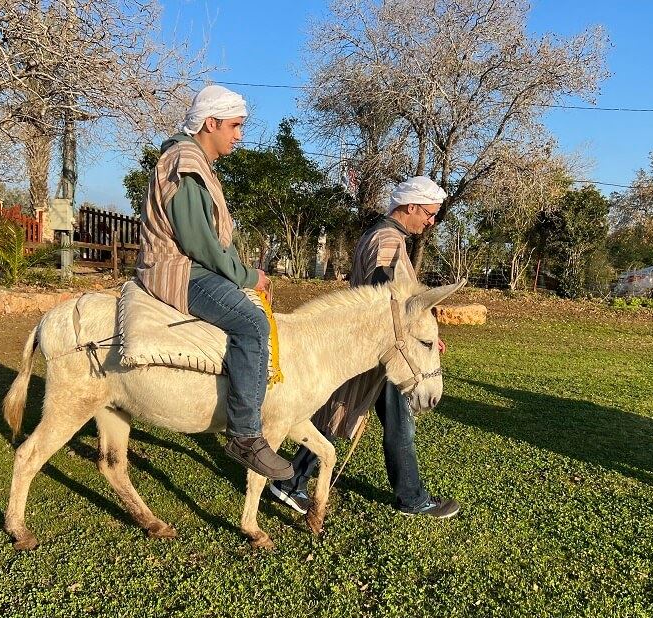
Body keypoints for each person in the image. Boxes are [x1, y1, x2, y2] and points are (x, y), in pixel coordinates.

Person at [268, 176, 460, 519]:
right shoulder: (387, 241)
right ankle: (410, 498)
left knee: (342, 409)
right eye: (429, 213)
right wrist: (413, 336)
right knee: (381, 418)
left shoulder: (383, 235)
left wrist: (423, 334)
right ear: (411, 207)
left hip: (381, 344)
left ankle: (292, 480)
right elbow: (388, 299)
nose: (431, 221)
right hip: (385, 347)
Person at [135, 85, 293, 481]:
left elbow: (214, 240)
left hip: (194, 267)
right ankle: (244, 435)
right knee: (252, 323)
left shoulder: (196, 162)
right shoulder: (186, 162)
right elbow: (199, 242)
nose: (239, 135)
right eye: (235, 126)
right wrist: (247, 276)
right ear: (211, 123)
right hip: (179, 271)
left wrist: (244, 272)